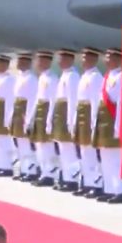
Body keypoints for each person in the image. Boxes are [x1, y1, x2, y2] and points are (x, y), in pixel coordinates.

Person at [92, 48, 122, 203]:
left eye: (110, 57)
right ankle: (109, 189)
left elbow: (121, 103)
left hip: (114, 120)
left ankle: (121, 191)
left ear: (118, 59)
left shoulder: (121, 77)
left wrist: (119, 126)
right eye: (106, 57)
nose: (107, 60)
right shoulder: (107, 76)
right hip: (104, 120)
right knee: (105, 157)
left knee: (116, 158)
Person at [27, 50, 60, 187]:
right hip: (40, 112)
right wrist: (30, 118)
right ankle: (44, 173)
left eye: (41, 61)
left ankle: (50, 175)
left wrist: (49, 120)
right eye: (37, 61)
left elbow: (53, 100)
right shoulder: (41, 78)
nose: (38, 63)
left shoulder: (52, 78)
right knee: (39, 145)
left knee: (47, 147)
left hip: (47, 112)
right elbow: (37, 100)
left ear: (47, 62)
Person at [73, 48, 103, 197]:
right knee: (83, 153)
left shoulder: (96, 77)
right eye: (82, 58)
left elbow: (95, 101)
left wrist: (93, 122)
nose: (83, 60)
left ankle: (96, 185)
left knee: (91, 154)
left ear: (94, 60)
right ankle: (87, 183)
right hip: (82, 116)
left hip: (89, 116)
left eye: (86, 58)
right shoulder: (84, 76)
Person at [51, 49, 81, 192]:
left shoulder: (73, 77)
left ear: (70, 60)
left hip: (66, 115)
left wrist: (71, 121)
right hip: (61, 114)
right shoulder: (65, 75)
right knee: (63, 150)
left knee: (69, 151)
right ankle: (66, 178)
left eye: (62, 58)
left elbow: (73, 100)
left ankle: (72, 180)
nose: (59, 61)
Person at [11, 53, 39, 182]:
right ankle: (23, 169)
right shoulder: (19, 77)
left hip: (24, 111)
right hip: (17, 111)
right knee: (20, 144)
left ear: (27, 63)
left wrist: (28, 119)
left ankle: (31, 170)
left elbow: (32, 100)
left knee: (27, 145)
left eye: (21, 61)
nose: (18, 63)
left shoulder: (31, 78)